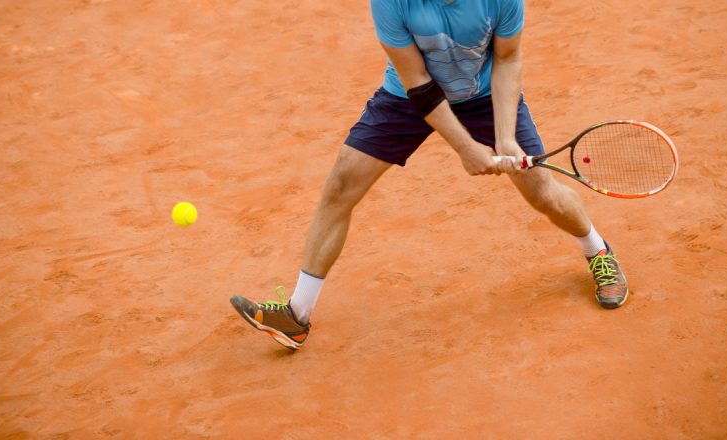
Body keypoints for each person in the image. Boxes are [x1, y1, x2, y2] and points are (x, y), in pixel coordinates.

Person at [230, 0, 628, 350]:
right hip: (407, 99)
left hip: (486, 96)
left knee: (542, 191)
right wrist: (465, 148)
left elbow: (507, 58)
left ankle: (597, 251)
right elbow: (417, 84)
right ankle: (296, 316)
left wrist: (505, 138)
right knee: (341, 184)